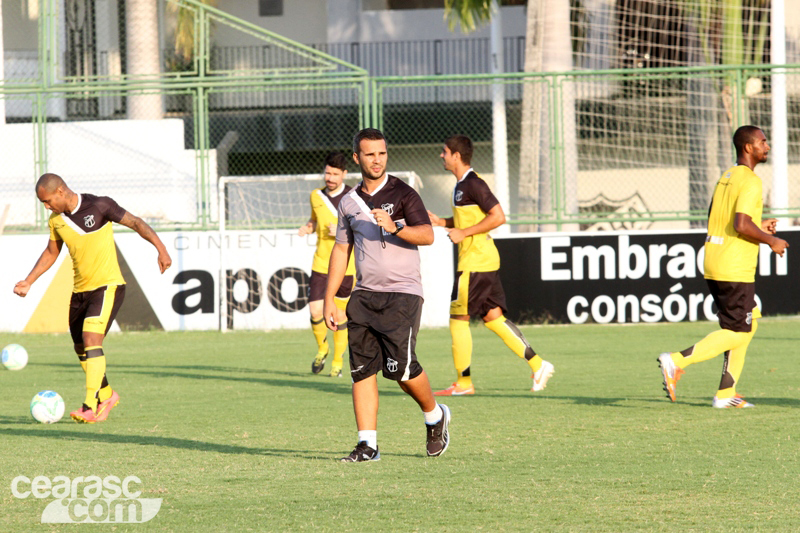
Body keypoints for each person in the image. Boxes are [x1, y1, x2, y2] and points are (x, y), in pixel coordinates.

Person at [324, 128, 451, 462]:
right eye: (369, 154)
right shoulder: (348, 202)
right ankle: (368, 445)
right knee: (362, 371)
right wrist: (329, 300)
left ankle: (435, 415)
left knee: (402, 371)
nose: (377, 160)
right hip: (363, 296)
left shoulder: (404, 193)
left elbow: (427, 235)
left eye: (381, 153)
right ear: (357, 158)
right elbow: (340, 249)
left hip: (402, 294)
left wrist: (396, 226)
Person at [13, 173, 172, 423]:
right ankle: (107, 394)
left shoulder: (100, 206)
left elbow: (137, 223)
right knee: (80, 346)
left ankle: (90, 405)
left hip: (108, 286)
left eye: (47, 201)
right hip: (80, 292)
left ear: (61, 192)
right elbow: (51, 253)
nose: (46, 206)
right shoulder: (56, 221)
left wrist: (161, 249)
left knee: (90, 339)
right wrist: (29, 281)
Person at [658, 125, 789, 408]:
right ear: (748, 148)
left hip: (714, 259)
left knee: (750, 319)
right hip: (734, 265)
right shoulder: (751, 181)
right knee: (737, 331)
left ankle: (727, 393)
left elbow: (720, 217)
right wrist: (770, 240)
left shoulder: (727, 175)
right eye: (763, 142)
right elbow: (741, 224)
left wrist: (759, 225)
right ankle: (676, 361)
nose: (767, 147)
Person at [428, 134, 554, 396]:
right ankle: (538, 364)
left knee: (458, 320)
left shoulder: (474, 183)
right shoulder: (461, 185)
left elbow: (498, 217)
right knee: (493, 318)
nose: (441, 155)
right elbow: (467, 219)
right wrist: (443, 222)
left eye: (445, 151)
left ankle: (463, 383)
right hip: (481, 260)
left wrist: (464, 233)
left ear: (456, 156)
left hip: (475, 262)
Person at [298, 152, 356, 377]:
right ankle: (323, 347)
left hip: (346, 265)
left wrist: (343, 230)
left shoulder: (353, 196)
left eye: (335, 174)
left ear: (344, 174)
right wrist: (308, 227)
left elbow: (364, 226)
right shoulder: (316, 196)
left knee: (340, 316)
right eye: (327, 173)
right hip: (321, 262)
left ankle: (338, 361)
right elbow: (314, 220)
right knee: (315, 310)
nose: (330, 177)